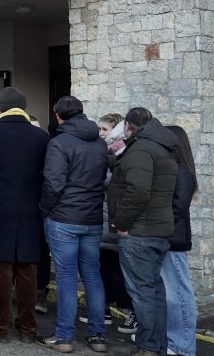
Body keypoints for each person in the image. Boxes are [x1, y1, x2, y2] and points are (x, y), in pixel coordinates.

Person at [0, 87, 49, 343]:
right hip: (30, 212)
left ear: (1, 108)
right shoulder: (40, 137)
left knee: (0, 272)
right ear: (24, 108)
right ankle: (28, 329)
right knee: (28, 272)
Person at [37, 96, 111, 353]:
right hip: (91, 217)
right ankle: (98, 335)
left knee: (67, 277)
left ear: (58, 116)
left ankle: (64, 336)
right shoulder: (100, 144)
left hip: (63, 218)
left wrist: (45, 209)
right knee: (92, 275)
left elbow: (53, 183)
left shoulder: (59, 143)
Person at [108, 107, 178, 356]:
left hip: (139, 231)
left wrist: (122, 222)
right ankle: (157, 345)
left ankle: (148, 347)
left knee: (143, 293)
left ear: (128, 125)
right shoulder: (162, 147)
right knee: (154, 291)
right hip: (157, 229)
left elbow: (137, 191)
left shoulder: (141, 149)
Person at [86, 114, 138, 334]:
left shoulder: (122, 155)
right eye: (99, 129)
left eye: (105, 129)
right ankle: (104, 310)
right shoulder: (105, 153)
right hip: (104, 222)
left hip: (116, 223)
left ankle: (131, 313)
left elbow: (117, 182)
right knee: (103, 269)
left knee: (121, 272)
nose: (101, 133)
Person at [162, 125, 198, 356]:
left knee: (178, 294)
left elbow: (178, 206)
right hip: (169, 237)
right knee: (170, 293)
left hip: (173, 239)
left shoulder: (181, 171)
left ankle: (182, 345)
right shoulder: (176, 169)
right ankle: (174, 340)